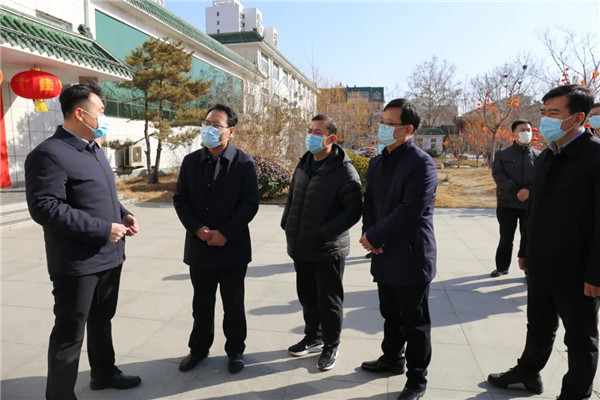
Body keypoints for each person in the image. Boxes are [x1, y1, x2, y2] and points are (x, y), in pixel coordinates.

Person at [24, 81, 141, 400]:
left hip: (110, 256)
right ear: (80, 113)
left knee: (102, 320)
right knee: (70, 331)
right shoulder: (49, 154)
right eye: (100, 111)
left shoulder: (93, 149)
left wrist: (123, 214)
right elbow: (45, 207)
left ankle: (104, 373)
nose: (104, 117)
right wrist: (102, 229)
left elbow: (99, 195)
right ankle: (60, 395)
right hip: (77, 262)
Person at [487, 85, 600, 400]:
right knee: (538, 325)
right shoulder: (548, 154)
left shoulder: (594, 156)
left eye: (554, 113)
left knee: (580, 338)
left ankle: (575, 393)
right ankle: (527, 372)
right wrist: (526, 249)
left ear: (577, 117)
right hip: (541, 262)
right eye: (544, 112)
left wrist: (596, 273)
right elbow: (535, 209)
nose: (545, 119)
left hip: (577, 269)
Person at [359, 99, 437, 400]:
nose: (383, 128)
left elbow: (411, 210)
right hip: (383, 251)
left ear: (408, 129)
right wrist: (369, 234)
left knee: (414, 322)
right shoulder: (378, 163)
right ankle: (392, 358)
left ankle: (417, 379)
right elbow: (370, 203)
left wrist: (376, 235)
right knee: (390, 313)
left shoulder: (421, 163)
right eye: (382, 122)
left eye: (390, 124)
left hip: (411, 254)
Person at [173, 104, 259, 375]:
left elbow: (250, 204)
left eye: (216, 125)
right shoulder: (191, 162)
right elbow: (180, 199)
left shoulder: (243, 163)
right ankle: (198, 349)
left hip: (232, 248)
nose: (209, 129)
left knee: (233, 304)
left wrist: (225, 233)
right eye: (206, 123)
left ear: (230, 131)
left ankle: (235, 350)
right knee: (201, 303)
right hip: (199, 247)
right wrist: (197, 228)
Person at [281, 114, 362, 371]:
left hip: (328, 249)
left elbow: (353, 210)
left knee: (329, 301)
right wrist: (287, 223)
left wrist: (325, 232)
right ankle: (313, 337)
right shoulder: (305, 162)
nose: (311, 136)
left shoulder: (343, 170)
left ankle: (331, 344)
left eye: (318, 132)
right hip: (301, 245)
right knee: (307, 297)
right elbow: (293, 196)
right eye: (310, 130)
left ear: (332, 138)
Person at [490, 119, 540, 278]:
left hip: (529, 204)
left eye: (528, 130)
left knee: (528, 237)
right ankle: (502, 266)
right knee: (506, 237)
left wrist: (529, 191)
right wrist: (516, 190)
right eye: (522, 130)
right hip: (507, 203)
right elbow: (498, 175)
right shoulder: (502, 154)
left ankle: (528, 268)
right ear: (513, 134)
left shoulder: (539, 156)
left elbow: (542, 178)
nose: (526, 133)